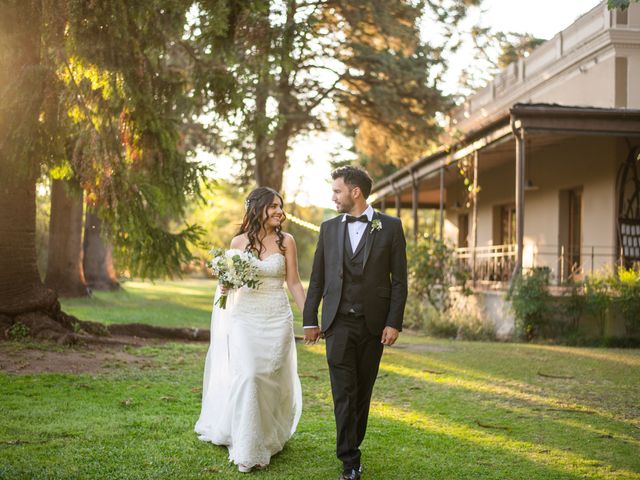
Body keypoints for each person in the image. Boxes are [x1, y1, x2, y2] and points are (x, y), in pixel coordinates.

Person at [303, 166, 408, 480]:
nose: (333, 196)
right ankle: (350, 460)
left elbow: (399, 282)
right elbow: (318, 278)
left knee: (362, 392)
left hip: (374, 325)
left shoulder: (390, 227)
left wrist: (394, 322)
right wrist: (310, 319)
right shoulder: (328, 228)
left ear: (355, 192)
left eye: (337, 191)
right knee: (344, 392)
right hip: (337, 323)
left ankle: (352, 444)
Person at [195, 187, 305, 473]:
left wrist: (309, 318)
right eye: (274, 207)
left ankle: (268, 436)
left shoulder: (287, 242)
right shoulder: (238, 242)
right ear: (258, 209)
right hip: (244, 317)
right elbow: (228, 283)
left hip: (277, 316)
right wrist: (225, 283)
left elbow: (293, 282)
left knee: (270, 376)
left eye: (281, 206)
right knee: (250, 375)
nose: (280, 212)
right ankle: (248, 448)